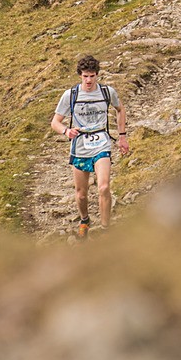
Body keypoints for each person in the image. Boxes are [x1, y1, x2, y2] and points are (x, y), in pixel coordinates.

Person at [51, 54, 129, 239]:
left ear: (97, 75)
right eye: (85, 76)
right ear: (80, 75)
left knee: (103, 187)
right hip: (79, 147)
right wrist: (66, 131)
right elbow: (55, 122)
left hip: (102, 143)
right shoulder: (71, 95)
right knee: (81, 194)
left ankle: (105, 230)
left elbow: (120, 109)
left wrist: (122, 137)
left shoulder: (106, 92)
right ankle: (84, 220)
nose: (88, 80)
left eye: (92, 76)